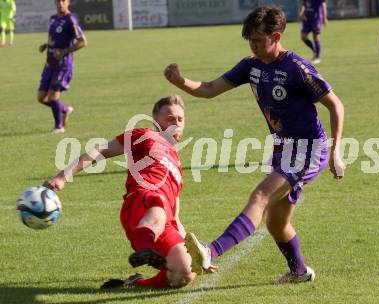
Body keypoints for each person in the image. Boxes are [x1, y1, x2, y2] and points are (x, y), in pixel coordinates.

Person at [164, 6, 345, 284]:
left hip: (309, 150)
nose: (254, 45)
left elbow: (336, 105)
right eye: (250, 39)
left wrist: (336, 151)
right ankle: (299, 272)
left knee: (260, 196)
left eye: (258, 40)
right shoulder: (252, 66)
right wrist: (180, 81)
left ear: (276, 36)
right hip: (283, 149)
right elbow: (210, 89)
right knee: (276, 222)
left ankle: (211, 251)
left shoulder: (297, 68)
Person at [44, 95, 206, 289]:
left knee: (185, 274)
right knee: (158, 204)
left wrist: (197, 257)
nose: (176, 123)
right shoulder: (145, 135)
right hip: (142, 201)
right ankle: (144, 247)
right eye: (169, 118)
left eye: (180, 119)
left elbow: (176, 216)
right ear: (155, 120)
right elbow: (101, 150)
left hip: (165, 219)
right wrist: (63, 176)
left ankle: (136, 283)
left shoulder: (177, 163)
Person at [37, 0, 87, 134]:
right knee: (41, 97)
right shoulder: (53, 18)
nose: (60, 3)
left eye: (63, 1)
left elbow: (82, 42)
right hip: (50, 63)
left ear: (68, 2)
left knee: (53, 97)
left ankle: (59, 127)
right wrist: (46, 45)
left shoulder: (71, 19)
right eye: (58, 1)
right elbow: (56, 39)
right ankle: (64, 110)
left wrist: (64, 52)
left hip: (63, 65)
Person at [298, 0, 328, 64]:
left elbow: (323, 4)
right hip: (307, 19)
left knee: (316, 37)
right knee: (303, 37)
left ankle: (317, 57)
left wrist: (324, 18)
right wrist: (300, 13)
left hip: (316, 19)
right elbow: (303, 4)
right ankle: (315, 50)